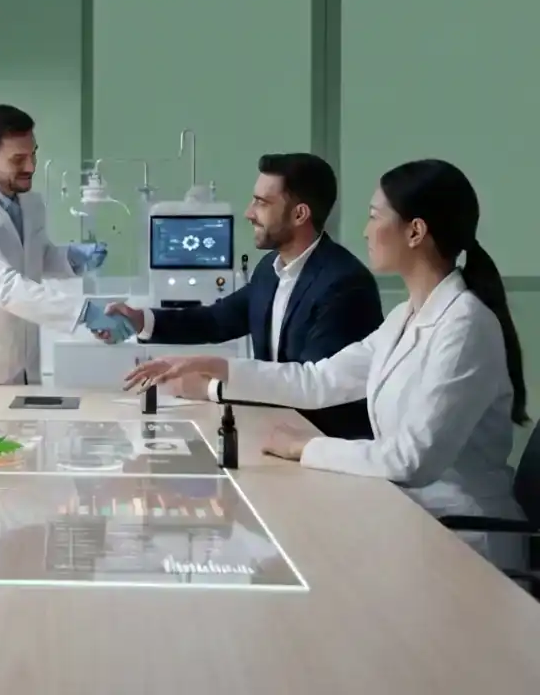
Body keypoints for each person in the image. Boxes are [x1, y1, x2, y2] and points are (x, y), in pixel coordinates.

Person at [124, 159, 529, 572]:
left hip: (464, 537)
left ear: (415, 232)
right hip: (412, 513)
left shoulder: (465, 326)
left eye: (374, 217)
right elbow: (319, 380)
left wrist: (306, 447)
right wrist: (219, 367)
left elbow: (412, 459)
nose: (365, 231)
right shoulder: (406, 316)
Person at [102, 153, 383, 440]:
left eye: (262, 203)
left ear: (300, 214)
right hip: (279, 435)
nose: (249, 213)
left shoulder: (345, 286)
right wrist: (141, 320)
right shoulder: (270, 269)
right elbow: (216, 320)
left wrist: (209, 387)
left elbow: (311, 386)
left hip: (326, 444)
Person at [0, 104, 118, 385]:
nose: (31, 167)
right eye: (18, 159)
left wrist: (70, 257)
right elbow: (6, 287)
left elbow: (33, 256)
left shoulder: (31, 203)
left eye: (33, 154)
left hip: (21, 361)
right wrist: (83, 312)